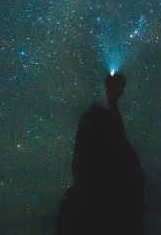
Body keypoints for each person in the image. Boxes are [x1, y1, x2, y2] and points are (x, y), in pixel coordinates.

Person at [56, 72, 145, 235]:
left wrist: (112, 101)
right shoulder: (127, 194)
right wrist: (112, 101)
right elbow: (120, 146)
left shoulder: (76, 202)